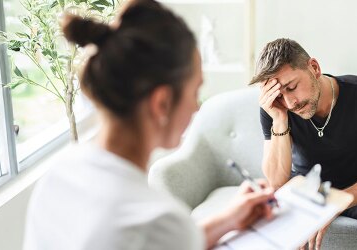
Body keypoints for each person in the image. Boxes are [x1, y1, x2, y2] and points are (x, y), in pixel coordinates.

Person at [23, 1, 274, 249]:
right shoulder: (157, 220)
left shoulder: (59, 175)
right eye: (195, 92)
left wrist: (228, 219)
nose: (197, 107)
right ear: (162, 103)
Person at [251, 38, 357, 250]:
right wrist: (279, 118)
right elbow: (277, 182)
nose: (291, 103)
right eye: (280, 95)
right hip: (307, 188)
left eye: (292, 87)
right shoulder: (276, 108)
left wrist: (334, 204)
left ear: (314, 68)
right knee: (272, 221)